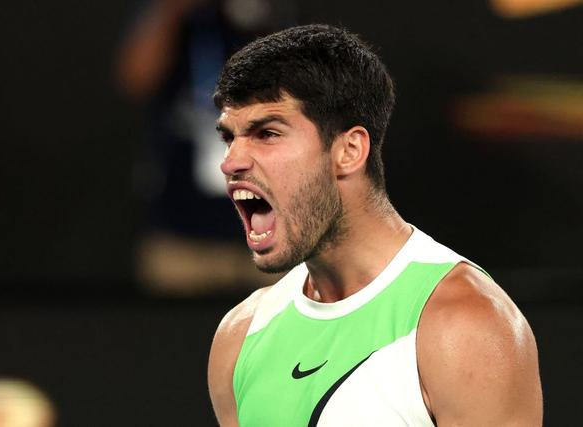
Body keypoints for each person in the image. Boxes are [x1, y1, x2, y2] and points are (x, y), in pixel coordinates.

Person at [207, 24, 542, 426]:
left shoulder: (465, 325)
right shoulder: (239, 336)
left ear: (349, 151)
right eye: (230, 138)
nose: (231, 162)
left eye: (267, 133)